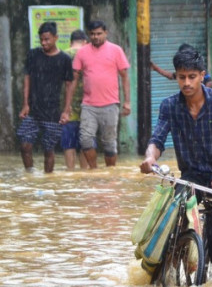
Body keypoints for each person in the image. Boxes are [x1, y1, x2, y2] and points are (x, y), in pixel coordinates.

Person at [140, 48, 212, 284]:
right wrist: (150, 159)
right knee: (166, 229)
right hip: (190, 179)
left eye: (192, 77)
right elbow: (157, 140)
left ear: (202, 75)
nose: (186, 83)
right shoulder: (169, 106)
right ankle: (169, 267)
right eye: (181, 77)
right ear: (175, 76)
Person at [71, 20, 131, 168]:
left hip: (110, 104)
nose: (96, 37)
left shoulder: (116, 50)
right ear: (89, 35)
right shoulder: (82, 52)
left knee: (109, 144)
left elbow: (124, 77)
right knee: (85, 140)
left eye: (99, 34)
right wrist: (67, 106)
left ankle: (110, 172)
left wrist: (127, 102)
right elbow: (73, 79)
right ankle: (94, 170)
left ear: (106, 33)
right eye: (92, 34)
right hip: (88, 105)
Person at [17, 21, 74, 173]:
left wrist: (66, 110)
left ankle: (48, 179)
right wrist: (25, 104)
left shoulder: (65, 59)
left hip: (53, 111)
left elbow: (69, 85)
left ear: (56, 38)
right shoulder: (33, 54)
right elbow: (27, 78)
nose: (44, 43)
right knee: (25, 144)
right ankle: (29, 173)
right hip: (33, 109)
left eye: (47, 39)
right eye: (41, 39)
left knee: (49, 150)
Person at [63, 29, 89, 170]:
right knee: (85, 141)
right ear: (85, 42)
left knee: (69, 142)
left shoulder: (63, 55)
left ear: (70, 42)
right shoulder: (87, 55)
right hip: (88, 104)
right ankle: (84, 172)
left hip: (67, 105)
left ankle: (70, 172)